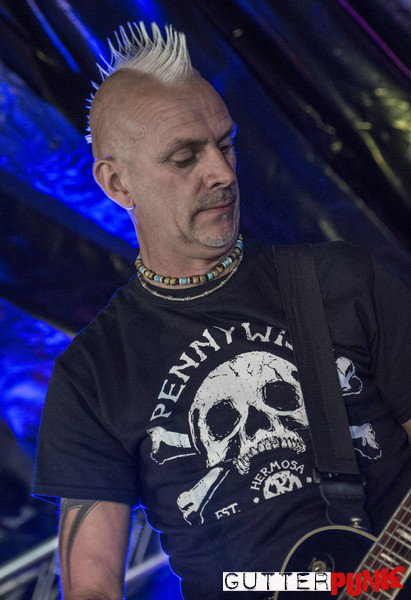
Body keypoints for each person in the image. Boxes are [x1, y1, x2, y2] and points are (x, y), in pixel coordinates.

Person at [33, 22, 411, 600]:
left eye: (226, 144)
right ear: (117, 182)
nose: (223, 173)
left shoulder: (339, 280)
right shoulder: (94, 374)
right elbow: (91, 586)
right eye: (185, 157)